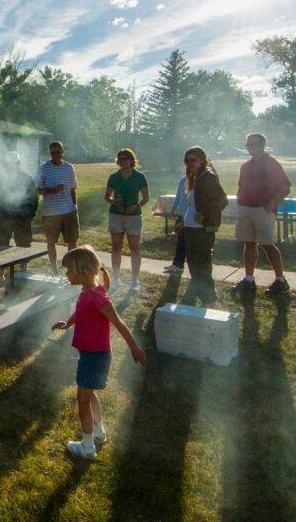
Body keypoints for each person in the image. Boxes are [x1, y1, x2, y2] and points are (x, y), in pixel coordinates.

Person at [51, 246, 146, 460]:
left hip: (95, 356)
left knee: (82, 400)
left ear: (83, 272)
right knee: (89, 393)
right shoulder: (88, 291)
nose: (66, 274)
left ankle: (87, 447)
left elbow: (118, 322)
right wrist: (68, 323)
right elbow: (81, 310)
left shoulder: (98, 296)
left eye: (69, 271)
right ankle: (99, 434)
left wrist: (134, 348)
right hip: (90, 354)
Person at [230, 133, 292, 301]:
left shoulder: (272, 164)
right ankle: (249, 279)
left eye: (253, 144)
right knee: (249, 244)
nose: (250, 148)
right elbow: (241, 187)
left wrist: (269, 206)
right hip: (245, 209)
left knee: (267, 244)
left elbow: (285, 188)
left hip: (263, 210)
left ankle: (280, 279)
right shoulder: (245, 166)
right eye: (248, 145)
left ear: (262, 145)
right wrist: (240, 204)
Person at [180, 146, 228, 305]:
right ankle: (199, 296)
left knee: (202, 266)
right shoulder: (194, 178)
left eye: (193, 160)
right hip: (191, 228)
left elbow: (221, 200)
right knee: (194, 265)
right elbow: (193, 204)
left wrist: (204, 214)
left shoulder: (208, 177)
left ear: (202, 160)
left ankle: (209, 299)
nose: (189, 163)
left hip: (202, 229)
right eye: (187, 161)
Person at [104, 148, 149, 292]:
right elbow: (107, 197)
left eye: (125, 159)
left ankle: (135, 280)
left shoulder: (139, 176)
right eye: (120, 159)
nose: (122, 161)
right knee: (116, 247)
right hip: (116, 215)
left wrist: (136, 206)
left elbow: (146, 198)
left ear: (131, 160)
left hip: (134, 216)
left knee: (134, 248)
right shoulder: (114, 177)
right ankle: (116, 278)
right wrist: (113, 201)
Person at [35, 141, 79, 274]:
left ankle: (71, 269)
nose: (55, 155)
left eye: (57, 152)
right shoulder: (43, 168)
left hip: (68, 211)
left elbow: (72, 189)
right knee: (51, 242)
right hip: (51, 213)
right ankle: (54, 270)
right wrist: (51, 190)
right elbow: (37, 190)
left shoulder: (69, 167)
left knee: (72, 241)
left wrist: (75, 207)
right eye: (52, 153)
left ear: (62, 152)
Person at [0, 151, 39, 249]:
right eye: (9, 163)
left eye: (15, 163)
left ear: (19, 163)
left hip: (23, 218)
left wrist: (30, 215)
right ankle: (2, 264)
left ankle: (23, 265)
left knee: (24, 246)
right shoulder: (0, 179)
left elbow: (33, 199)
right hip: (3, 218)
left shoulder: (27, 179)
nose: (11, 165)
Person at [163, 173, 189, 276]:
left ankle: (197, 270)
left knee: (193, 244)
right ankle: (177, 265)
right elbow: (178, 195)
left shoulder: (201, 179)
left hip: (194, 218)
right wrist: (173, 210)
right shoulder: (183, 179)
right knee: (180, 241)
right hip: (182, 215)